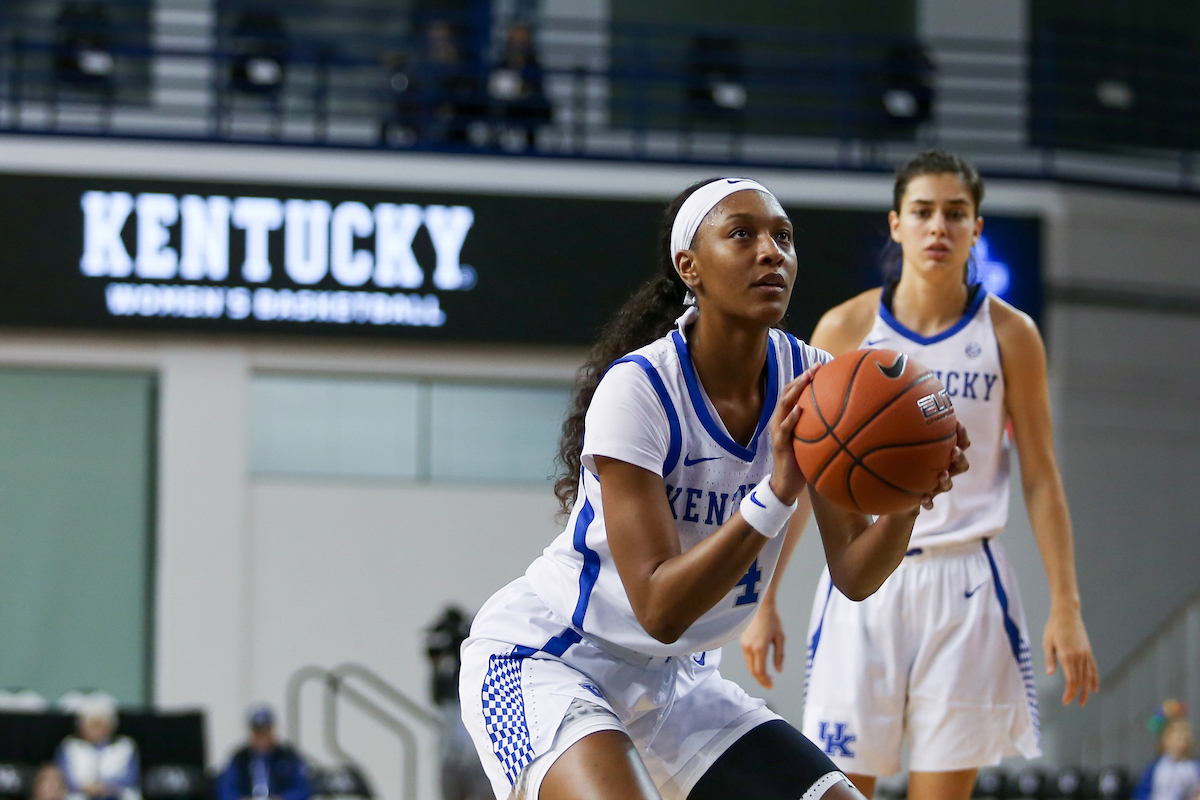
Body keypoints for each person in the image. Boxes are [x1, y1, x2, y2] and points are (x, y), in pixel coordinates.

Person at [458, 176, 967, 800]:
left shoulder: (818, 383)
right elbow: (660, 609)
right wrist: (776, 494)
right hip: (551, 660)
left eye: (783, 237)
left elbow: (856, 575)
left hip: (682, 682)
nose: (770, 251)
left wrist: (908, 501)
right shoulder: (639, 390)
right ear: (689, 266)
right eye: (742, 234)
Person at [740, 149, 1099, 800]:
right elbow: (806, 474)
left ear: (976, 230)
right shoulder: (846, 326)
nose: (939, 227)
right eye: (924, 212)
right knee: (838, 791)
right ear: (897, 225)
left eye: (956, 214)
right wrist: (764, 598)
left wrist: (1066, 607)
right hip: (863, 580)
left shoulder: (1011, 334)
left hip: (965, 582)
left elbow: (1042, 477)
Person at [426, 607, 491, 800]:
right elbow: (439, 697)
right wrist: (436, 666)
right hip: (451, 756)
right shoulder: (447, 675)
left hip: (478, 757)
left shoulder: (481, 661)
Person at [215, 705, 311, 800]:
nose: (261, 737)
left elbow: (303, 788)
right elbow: (226, 789)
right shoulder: (240, 758)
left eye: (265, 732)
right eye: (257, 732)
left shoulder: (287, 757)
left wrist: (283, 798)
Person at [54, 695, 140, 800]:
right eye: (91, 724)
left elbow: (130, 778)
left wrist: (106, 787)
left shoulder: (125, 746)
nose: (96, 729)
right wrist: (85, 787)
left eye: (100, 724)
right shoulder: (69, 746)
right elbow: (61, 777)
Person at [1134, 701, 1200, 800]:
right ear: (1166, 740)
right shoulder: (1157, 766)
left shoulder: (1194, 766)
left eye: (1184, 739)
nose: (1181, 744)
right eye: (1177, 739)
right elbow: (1142, 793)